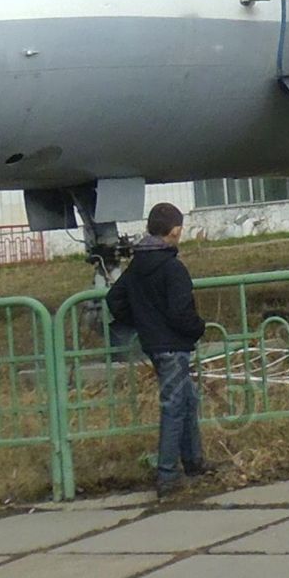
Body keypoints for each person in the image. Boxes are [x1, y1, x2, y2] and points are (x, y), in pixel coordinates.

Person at [104, 202, 212, 496]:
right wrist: (198, 328)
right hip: (174, 345)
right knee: (175, 407)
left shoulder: (137, 266)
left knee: (188, 399)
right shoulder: (173, 268)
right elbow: (181, 313)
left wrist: (141, 321)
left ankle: (193, 461)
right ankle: (167, 475)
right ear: (175, 231)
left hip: (153, 344)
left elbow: (115, 300)